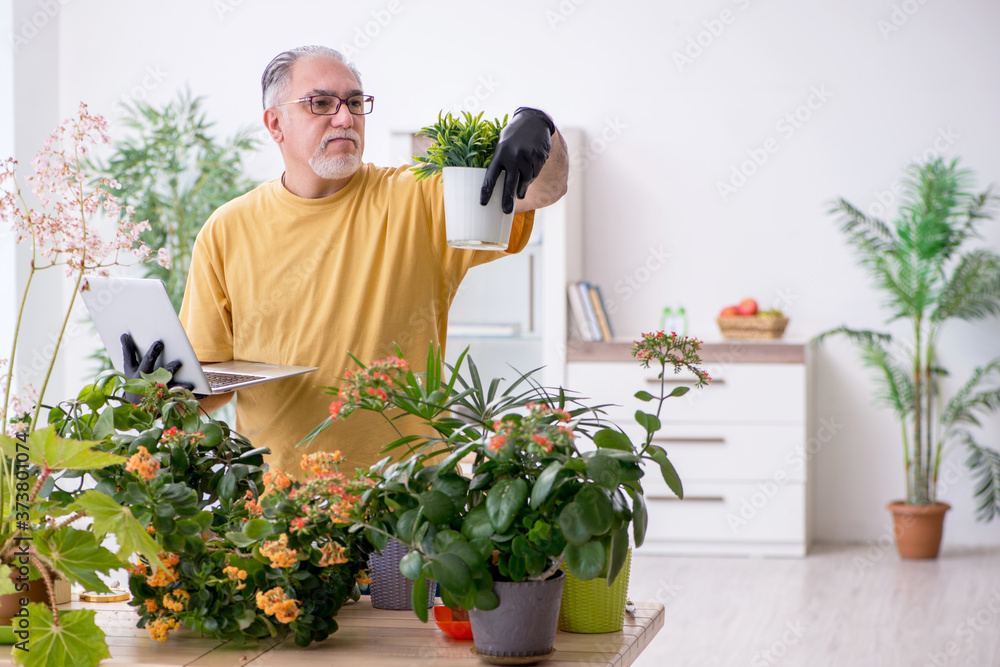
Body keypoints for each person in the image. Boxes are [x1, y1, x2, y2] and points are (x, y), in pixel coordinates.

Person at [126, 45, 568, 475]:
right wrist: (158, 390)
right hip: (276, 511)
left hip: (406, 501)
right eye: (321, 103)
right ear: (275, 123)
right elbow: (208, 384)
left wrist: (540, 126)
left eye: (355, 102)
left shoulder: (420, 199)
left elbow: (546, 188)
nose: (345, 117)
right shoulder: (227, 228)